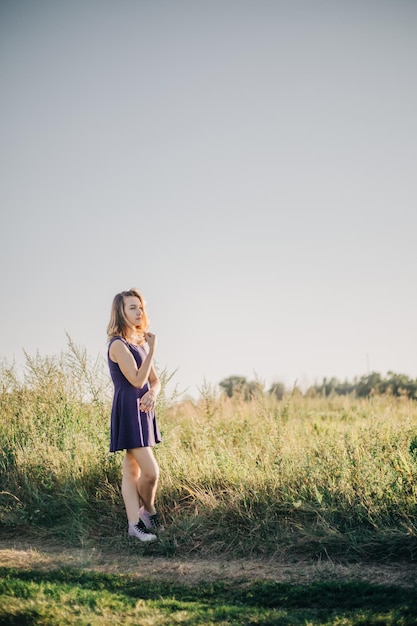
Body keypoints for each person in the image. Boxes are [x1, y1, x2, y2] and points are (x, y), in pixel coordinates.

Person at [107, 288, 163, 543]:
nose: (139, 311)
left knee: (131, 471)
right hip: (128, 410)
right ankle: (148, 512)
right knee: (151, 472)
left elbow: (153, 381)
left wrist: (153, 393)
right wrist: (152, 350)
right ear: (121, 312)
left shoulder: (139, 342)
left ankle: (134, 526)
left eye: (140, 307)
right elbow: (137, 378)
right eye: (132, 307)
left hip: (144, 411)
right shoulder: (118, 345)